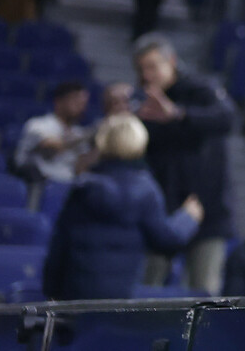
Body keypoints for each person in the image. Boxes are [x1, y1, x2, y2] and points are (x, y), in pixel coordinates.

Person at [41, 114, 201, 300]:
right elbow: (166, 240)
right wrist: (188, 217)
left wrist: (51, 292)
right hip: (119, 300)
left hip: (75, 298)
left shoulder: (83, 187)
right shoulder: (145, 190)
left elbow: (59, 247)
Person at [132, 33, 236, 293]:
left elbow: (227, 118)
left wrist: (178, 114)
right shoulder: (142, 103)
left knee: (205, 293)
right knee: (147, 292)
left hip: (208, 211)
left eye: (153, 66)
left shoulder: (201, 89)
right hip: (162, 212)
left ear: (172, 61)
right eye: (142, 69)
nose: (147, 75)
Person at [12, 81, 92, 185]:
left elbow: (81, 167)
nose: (81, 106)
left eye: (83, 103)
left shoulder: (79, 132)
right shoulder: (38, 124)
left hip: (69, 184)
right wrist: (92, 133)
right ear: (59, 102)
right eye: (76, 101)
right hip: (38, 183)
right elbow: (52, 146)